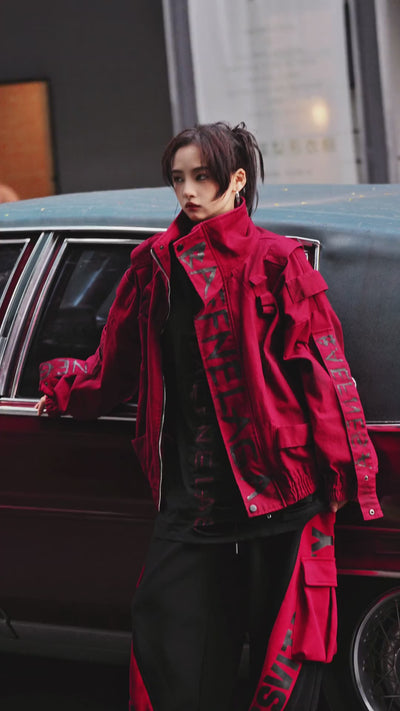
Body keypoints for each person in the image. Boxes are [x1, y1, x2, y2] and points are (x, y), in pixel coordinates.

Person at [36, 122, 382, 711]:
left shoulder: (279, 262)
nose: (188, 191)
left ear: (237, 180)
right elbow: (117, 361)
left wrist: (346, 473)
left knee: (284, 664)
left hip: (282, 487)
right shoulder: (153, 265)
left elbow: (325, 376)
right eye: (178, 179)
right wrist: (70, 394)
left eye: (202, 176)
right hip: (192, 497)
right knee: (169, 647)